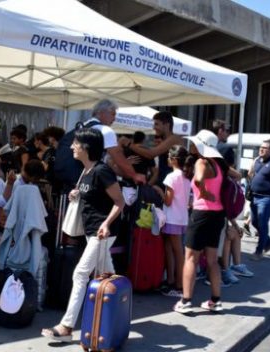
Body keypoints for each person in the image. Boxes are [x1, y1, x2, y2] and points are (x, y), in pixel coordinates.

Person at [42, 128, 124, 342]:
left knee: (80, 274)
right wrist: (75, 194)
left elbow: (120, 202)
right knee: (109, 274)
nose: (71, 147)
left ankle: (67, 326)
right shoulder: (85, 171)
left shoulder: (102, 171)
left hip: (102, 232)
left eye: (75, 144)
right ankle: (118, 318)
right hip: (91, 231)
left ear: (86, 147)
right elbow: (91, 196)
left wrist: (106, 223)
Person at [173, 130, 227, 314]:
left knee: (191, 258)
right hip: (217, 214)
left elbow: (198, 179)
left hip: (202, 214)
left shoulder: (201, 161)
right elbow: (235, 176)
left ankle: (186, 301)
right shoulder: (219, 165)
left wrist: (203, 192)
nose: (192, 146)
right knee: (212, 260)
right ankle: (215, 300)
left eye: (195, 143)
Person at [212, 119, 253, 286]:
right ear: (220, 131)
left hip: (216, 206)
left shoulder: (208, 158)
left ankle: (234, 266)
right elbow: (228, 169)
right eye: (227, 129)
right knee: (228, 235)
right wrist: (237, 175)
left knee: (233, 232)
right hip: (215, 207)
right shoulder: (223, 152)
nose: (229, 133)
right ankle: (224, 271)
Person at [153, 145, 190, 297]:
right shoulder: (187, 176)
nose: (167, 158)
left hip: (172, 217)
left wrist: (160, 191)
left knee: (177, 252)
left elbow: (167, 201)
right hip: (181, 217)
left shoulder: (171, 177)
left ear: (174, 160)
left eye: (169, 156)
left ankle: (179, 285)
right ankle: (171, 282)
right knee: (172, 249)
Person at [85, 99, 145, 185]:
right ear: (101, 112)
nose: (114, 119)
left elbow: (111, 164)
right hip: (91, 181)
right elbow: (118, 156)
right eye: (113, 114)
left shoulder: (85, 125)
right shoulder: (105, 130)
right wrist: (134, 175)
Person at [120, 111, 183, 187]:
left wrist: (129, 144)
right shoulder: (165, 141)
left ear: (166, 125)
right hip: (164, 185)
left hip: (173, 186)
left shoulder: (174, 139)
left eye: (157, 124)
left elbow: (151, 154)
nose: (154, 127)